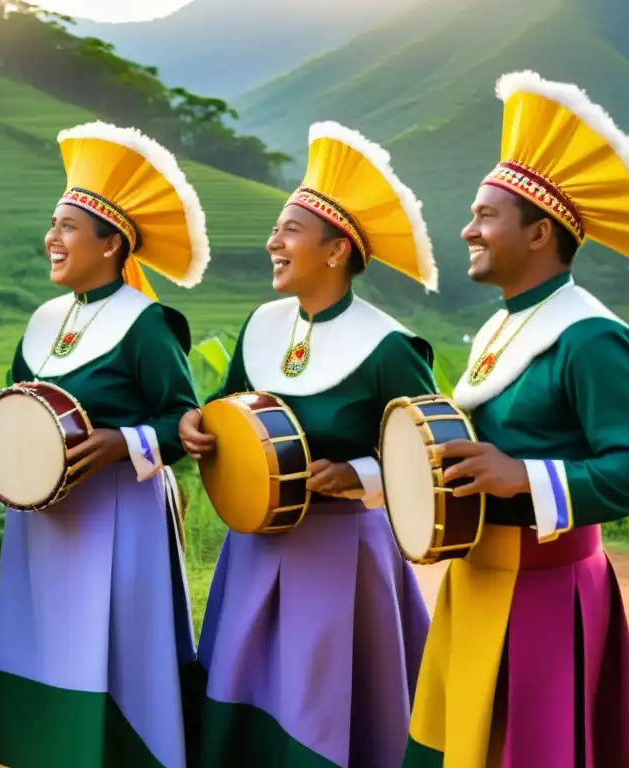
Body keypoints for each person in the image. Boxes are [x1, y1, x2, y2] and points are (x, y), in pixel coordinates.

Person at [403, 71, 629, 768]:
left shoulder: (591, 338)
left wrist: (524, 476)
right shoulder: (506, 325)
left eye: (485, 216)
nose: (467, 228)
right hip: (474, 581)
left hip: (546, 594)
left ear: (538, 232)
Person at [180, 120, 439, 767]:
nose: (272, 242)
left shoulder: (390, 348)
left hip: (341, 555)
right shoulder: (262, 326)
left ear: (336, 249)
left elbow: (432, 459)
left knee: (321, 706)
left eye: (289, 231)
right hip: (252, 548)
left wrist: (358, 473)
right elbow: (235, 414)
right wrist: (198, 429)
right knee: (241, 690)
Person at [0, 121, 208, 768]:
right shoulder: (42, 321)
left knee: (113, 647)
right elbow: (12, 408)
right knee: (44, 641)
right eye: (52, 225)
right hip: (42, 520)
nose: (51, 238)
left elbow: (184, 422)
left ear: (111, 244)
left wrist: (120, 442)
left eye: (67, 228)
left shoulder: (148, 323)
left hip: (120, 517)